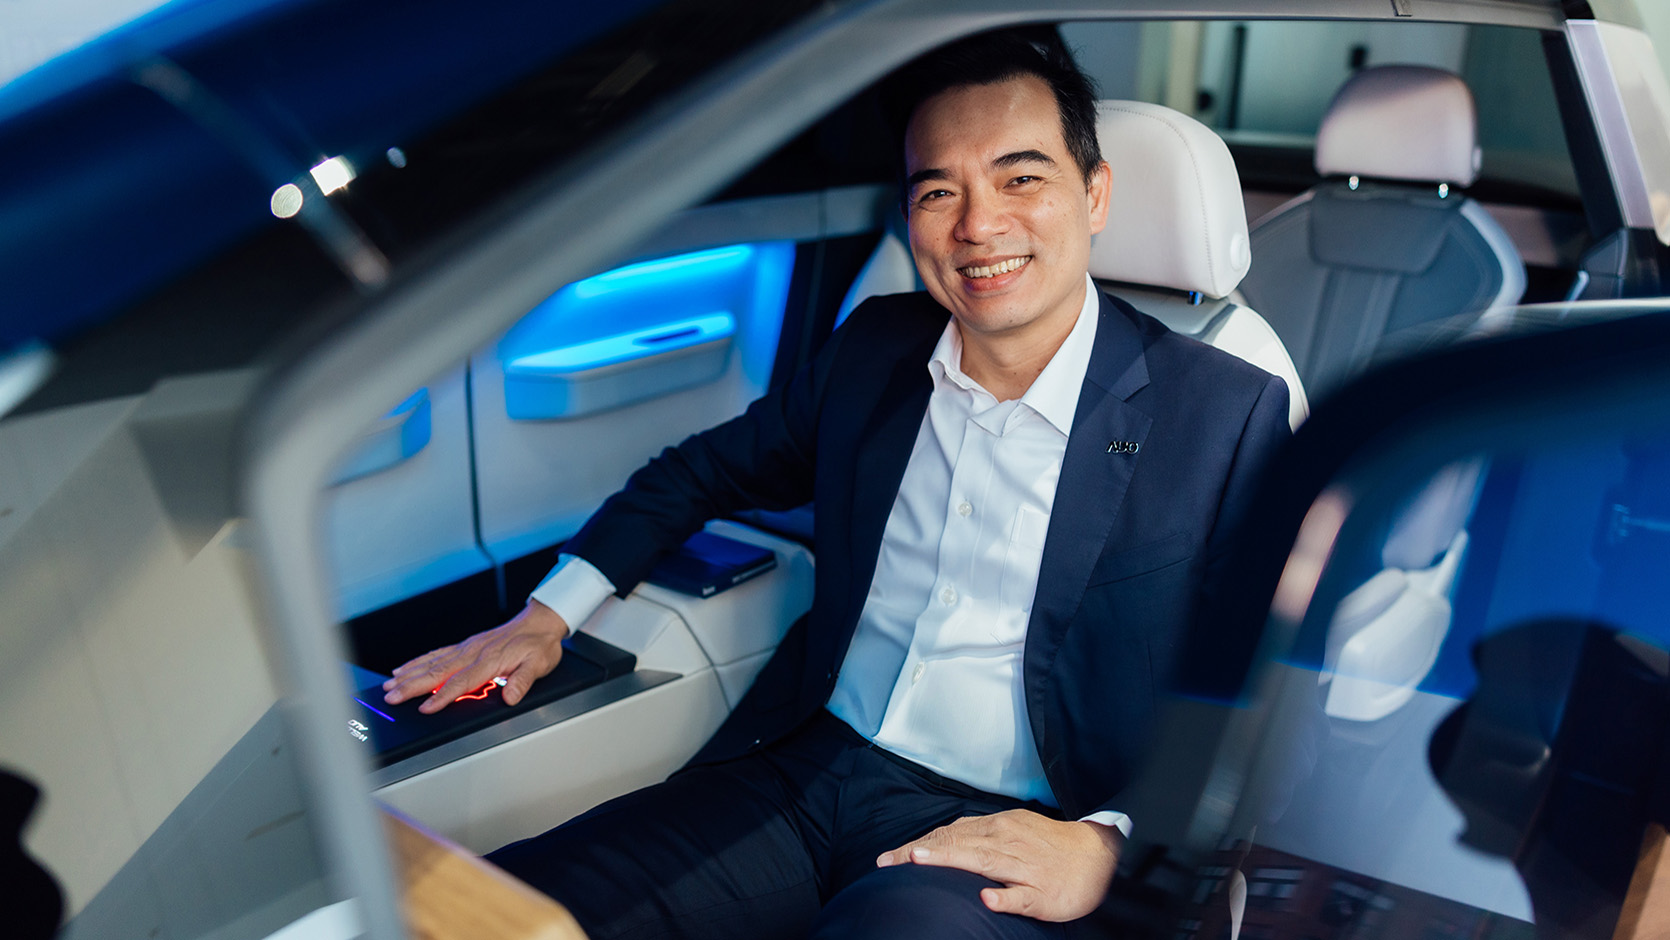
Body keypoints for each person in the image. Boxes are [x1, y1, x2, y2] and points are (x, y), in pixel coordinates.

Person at [382, 30, 1291, 940]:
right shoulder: (875, 350)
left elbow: (1271, 705)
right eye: (939, 192)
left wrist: (1108, 843)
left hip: (1017, 826)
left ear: (1093, 194)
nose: (978, 226)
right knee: (502, 905)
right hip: (805, 770)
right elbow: (701, 469)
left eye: (1020, 178)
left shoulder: (1223, 412)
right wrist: (548, 616)